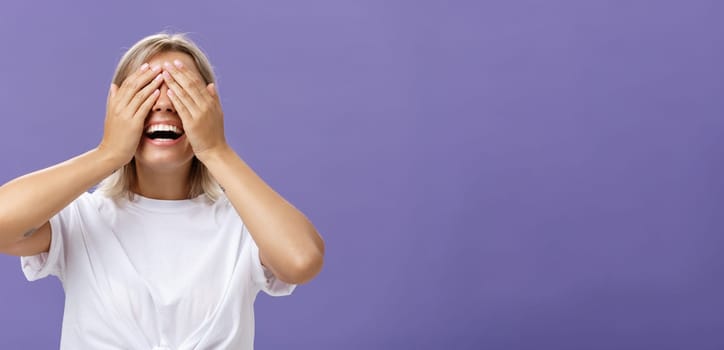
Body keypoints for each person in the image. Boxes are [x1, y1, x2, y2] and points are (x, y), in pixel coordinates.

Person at [0, 32, 325, 349]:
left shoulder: (245, 223)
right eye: (147, 90)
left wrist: (216, 149)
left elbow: (302, 260)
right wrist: (108, 153)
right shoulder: (81, 219)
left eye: (182, 91)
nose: (165, 104)